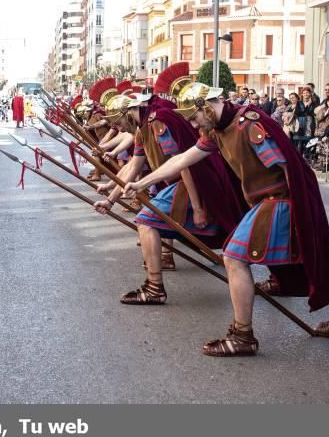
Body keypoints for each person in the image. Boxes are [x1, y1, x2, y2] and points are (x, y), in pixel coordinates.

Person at [124, 82, 329, 357]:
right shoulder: (215, 131)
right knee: (315, 257)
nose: (193, 124)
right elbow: (182, 160)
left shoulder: (248, 125)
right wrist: (142, 183)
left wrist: (303, 216)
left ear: (206, 107)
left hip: (280, 200)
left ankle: (242, 336)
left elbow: (289, 169)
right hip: (266, 201)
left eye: (194, 117)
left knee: (235, 256)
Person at [94, 73, 245, 305]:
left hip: (186, 184)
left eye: (117, 123)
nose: (116, 128)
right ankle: (162, 264)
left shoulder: (157, 122)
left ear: (126, 113)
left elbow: (182, 164)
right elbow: (134, 165)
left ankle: (154, 287)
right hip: (170, 183)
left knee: (146, 221)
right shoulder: (142, 127)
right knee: (150, 221)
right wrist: (111, 198)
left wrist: (197, 207)